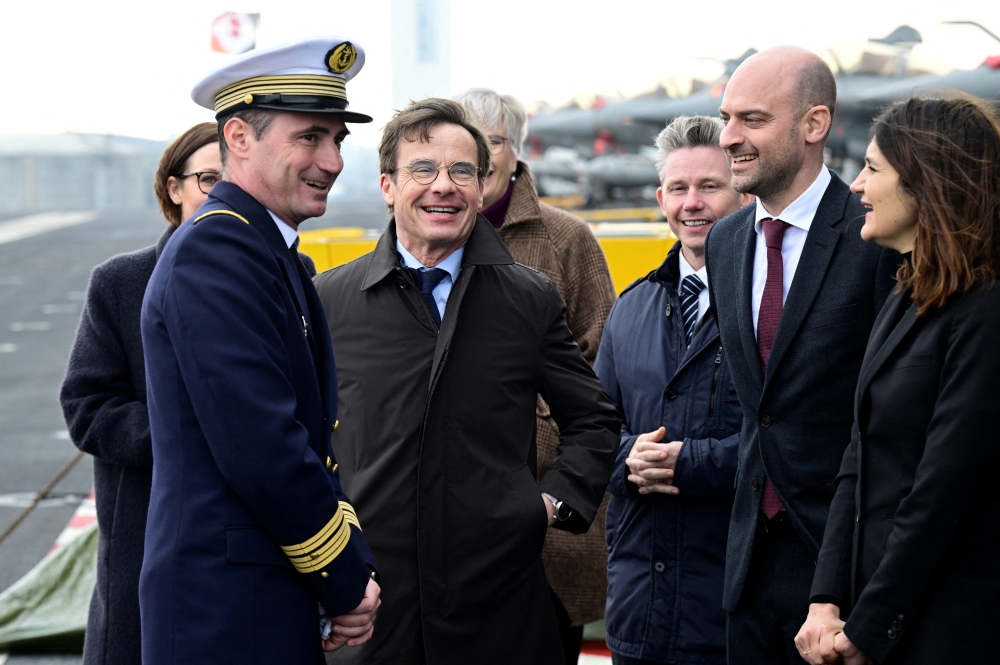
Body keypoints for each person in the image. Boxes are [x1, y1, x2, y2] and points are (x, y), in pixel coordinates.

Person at [313, 97, 620, 665]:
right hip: (373, 609)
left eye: (461, 171)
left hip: (498, 605)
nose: (444, 187)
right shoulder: (331, 300)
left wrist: (551, 505)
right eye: (423, 170)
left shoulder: (528, 297)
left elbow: (595, 419)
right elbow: (301, 443)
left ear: (482, 189)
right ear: (387, 185)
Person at [139, 37, 380, 664]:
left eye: (337, 140)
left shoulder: (266, 252)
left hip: (258, 595)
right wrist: (347, 580)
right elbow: (262, 447)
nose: (331, 161)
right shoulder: (218, 254)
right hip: (224, 610)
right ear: (240, 137)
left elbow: (310, 442)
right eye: (310, 138)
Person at [704, 46, 899, 664]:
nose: (729, 137)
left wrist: (849, 584)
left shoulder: (877, 239)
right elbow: (755, 408)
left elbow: (889, 425)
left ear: (814, 125)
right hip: (748, 574)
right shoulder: (726, 242)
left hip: (843, 577)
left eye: (752, 120)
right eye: (727, 118)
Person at [795, 95, 1000, 665]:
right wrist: (826, 598)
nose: (856, 186)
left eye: (873, 169)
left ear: (926, 183)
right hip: (875, 617)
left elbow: (943, 491)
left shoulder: (984, 312)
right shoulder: (907, 295)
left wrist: (872, 624)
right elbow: (857, 458)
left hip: (946, 629)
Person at [454, 87, 617, 663]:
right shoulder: (418, 238)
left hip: (546, 518)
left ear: (517, 152)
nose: (477, 154)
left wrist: (541, 438)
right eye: (465, 139)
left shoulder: (568, 240)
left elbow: (600, 373)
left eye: (492, 140)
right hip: (449, 522)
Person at [59, 122, 218, 665]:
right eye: (207, 179)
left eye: (235, 182)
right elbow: (86, 406)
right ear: (174, 188)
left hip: (249, 541)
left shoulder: (290, 273)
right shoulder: (121, 281)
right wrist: (183, 439)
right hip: (145, 533)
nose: (221, 195)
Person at [595, 115, 752, 665]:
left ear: (743, 192)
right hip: (640, 613)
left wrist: (688, 464)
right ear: (661, 198)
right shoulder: (630, 307)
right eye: (680, 189)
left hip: (733, 617)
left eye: (710, 187)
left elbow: (798, 444)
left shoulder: (773, 306)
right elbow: (593, 433)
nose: (693, 203)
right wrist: (628, 458)